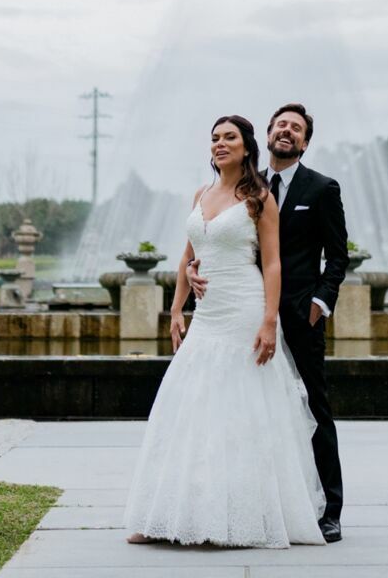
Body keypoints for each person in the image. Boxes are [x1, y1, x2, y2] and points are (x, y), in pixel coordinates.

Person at [120, 115, 326, 548]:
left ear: (247, 147)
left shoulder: (259, 198)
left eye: (229, 137)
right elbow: (188, 255)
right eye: (214, 138)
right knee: (190, 402)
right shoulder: (201, 193)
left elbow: (272, 263)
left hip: (245, 310)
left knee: (239, 409)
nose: (219, 144)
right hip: (207, 313)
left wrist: (270, 320)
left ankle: (239, 515)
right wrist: (177, 308)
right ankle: (168, 512)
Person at [188, 102, 348, 543]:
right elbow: (218, 240)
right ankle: (260, 502)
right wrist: (193, 271)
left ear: (305, 142)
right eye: (281, 125)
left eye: (296, 129)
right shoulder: (248, 188)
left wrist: (320, 301)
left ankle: (329, 508)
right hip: (243, 311)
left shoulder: (322, 188)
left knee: (313, 407)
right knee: (250, 408)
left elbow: (338, 256)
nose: (287, 132)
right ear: (268, 134)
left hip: (299, 312)